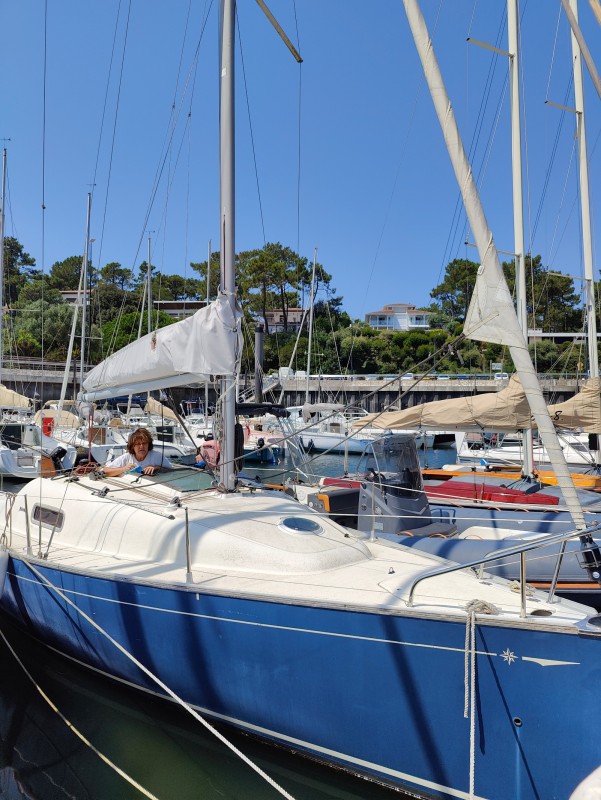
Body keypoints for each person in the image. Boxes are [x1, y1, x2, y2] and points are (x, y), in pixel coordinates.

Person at [102, 428, 173, 477]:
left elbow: (172, 471)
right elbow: (105, 470)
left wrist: (156, 467)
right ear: (133, 446)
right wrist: (124, 469)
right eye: (138, 444)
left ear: (149, 444)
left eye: (144, 443)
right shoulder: (127, 457)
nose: (141, 446)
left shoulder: (157, 456)